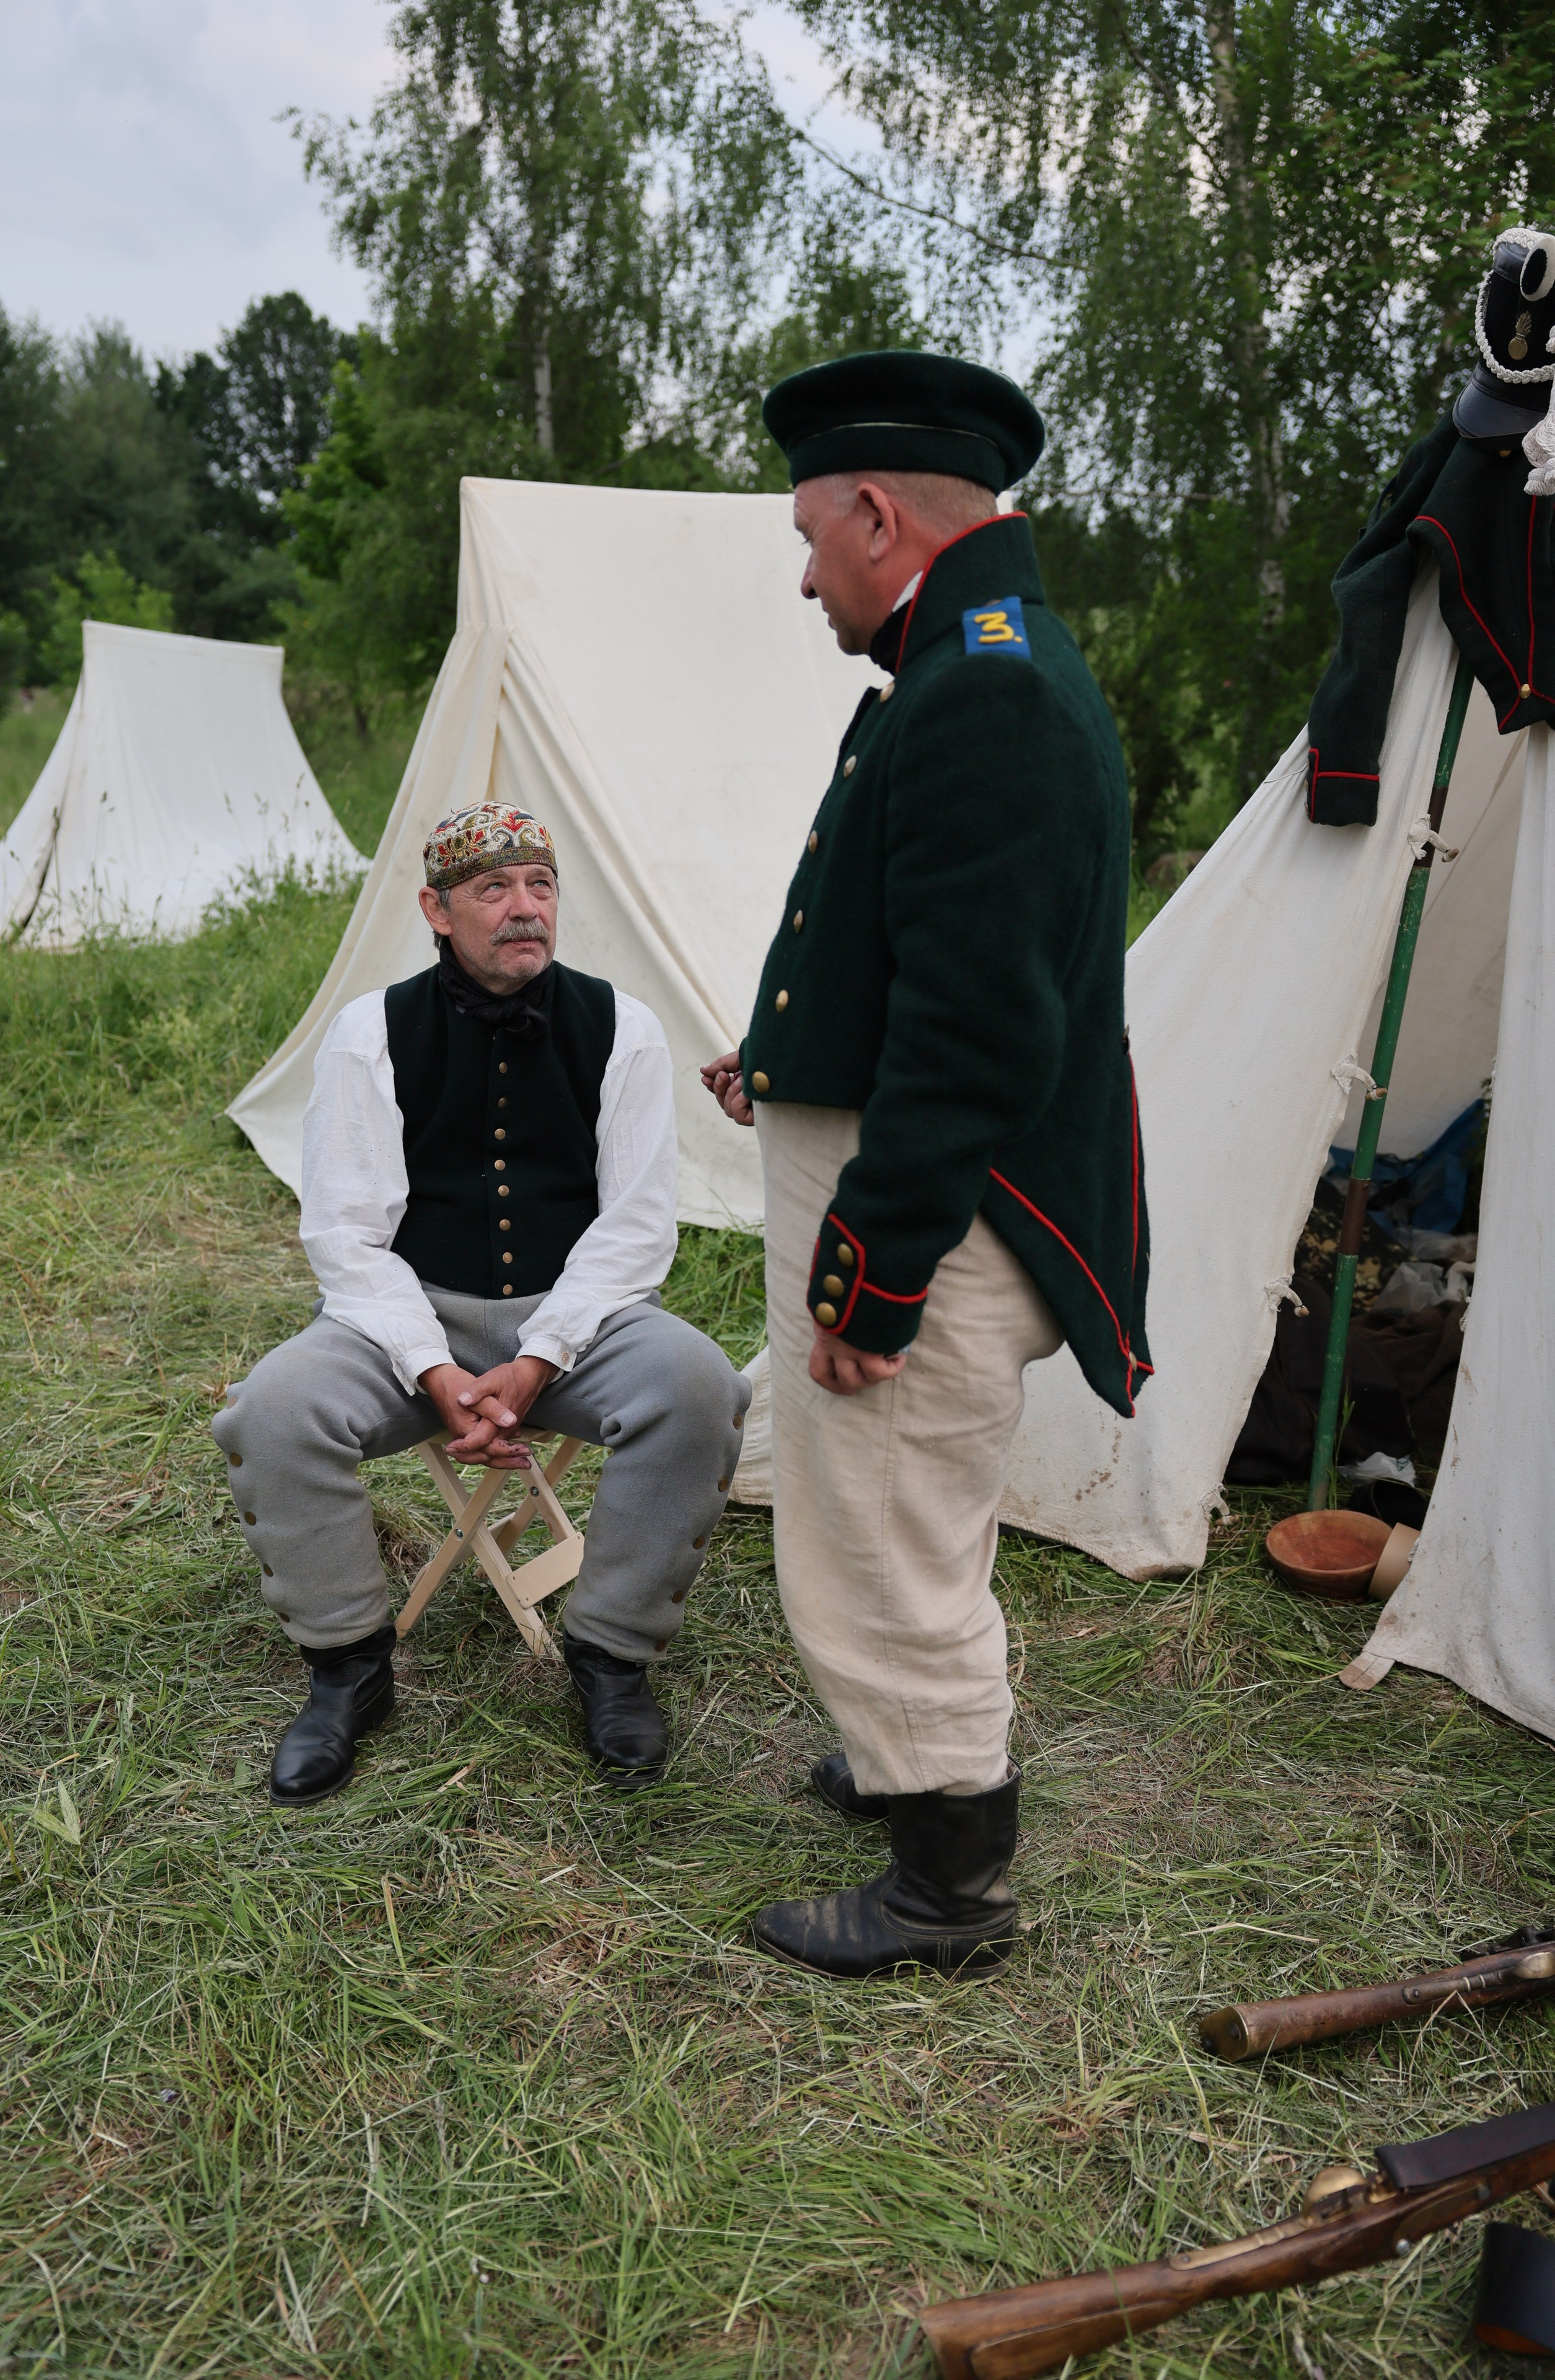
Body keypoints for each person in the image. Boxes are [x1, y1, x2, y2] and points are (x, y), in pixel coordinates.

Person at [703, 351, 1152, 1979]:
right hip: (902, 1174)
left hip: (932, 1218)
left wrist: (877, 1278)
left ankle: (949, 1887)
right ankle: (912, 1761)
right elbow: (912, 947)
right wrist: (784, 1059)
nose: (805, 572)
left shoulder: (990, 692)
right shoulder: (968, 664)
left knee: (884, 1522)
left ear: (881, 514)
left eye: (814, 537)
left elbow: (975, 1032)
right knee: (887, 1514)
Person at [215, 801, 749, 1805]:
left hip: (580, 1320)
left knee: (697, 1384)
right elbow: (347, 1235)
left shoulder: (622, 1026)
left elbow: (635, 1228)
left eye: (539, 886)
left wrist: (540, 1356)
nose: (522, 909)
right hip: (409, 1318)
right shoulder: (368, 1031)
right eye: (492, 890)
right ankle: (348, 1670)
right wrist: (436, 1370)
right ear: (436, 909)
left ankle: (612, 1656)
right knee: (274, 1409)